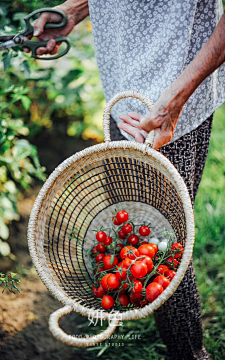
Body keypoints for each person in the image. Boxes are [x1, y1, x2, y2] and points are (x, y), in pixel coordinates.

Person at [25, 1, 225, 359]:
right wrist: (75, 9)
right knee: (143, 233)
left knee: (167, 249)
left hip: (170, 104)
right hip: (124, 94)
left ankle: (190, 355)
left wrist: (174, 101)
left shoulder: (171, 105)